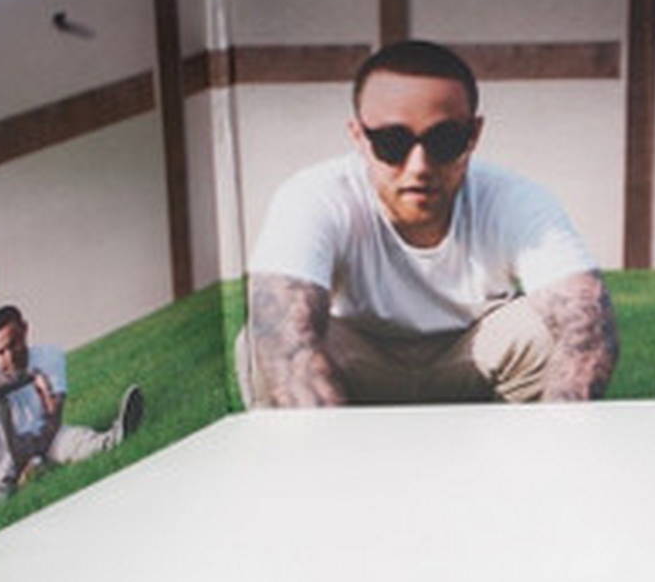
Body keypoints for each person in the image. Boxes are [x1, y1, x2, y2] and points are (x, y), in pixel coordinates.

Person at [241, 39, 618, 406]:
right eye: (392, 142)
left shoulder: (513, 197)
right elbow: (281, 334)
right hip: (362, 364)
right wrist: (334, 445)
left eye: (444, 140)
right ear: (358, 136)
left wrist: (560, 438)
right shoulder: (316, 195)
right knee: (265, 339)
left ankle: (515, 445)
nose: (419, 166)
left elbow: (587, 330)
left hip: (473, 362)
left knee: (549, 332)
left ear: (474, 135)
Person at [0, 305, 144, 502]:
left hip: (47, 436)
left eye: (13, 345)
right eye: (0, 352)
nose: (9, 357)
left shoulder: (50, 356)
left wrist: (37, 453)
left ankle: (115, 437)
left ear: (25, 330)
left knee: (74, 439)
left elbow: (55, 416)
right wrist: (30, 376)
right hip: (10, 449)